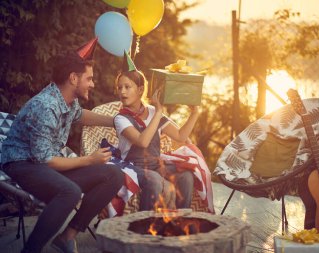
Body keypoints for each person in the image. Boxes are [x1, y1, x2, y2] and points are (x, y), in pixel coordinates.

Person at [0, 38, 124, 253]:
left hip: (44, 163)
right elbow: (45, 161)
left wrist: (115, 121)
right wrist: (88, 160)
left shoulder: (68, 100)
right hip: (21, 164)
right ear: (73, 78)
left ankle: (67, 235)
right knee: (70, 192)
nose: (93, 84)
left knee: (113, 175)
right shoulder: (45, 107)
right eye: (89, 79)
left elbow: (81, 115)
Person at [113, 52, 199, 210]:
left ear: (140, 90)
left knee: (186, 176)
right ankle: (144, 226)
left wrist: (194, 114)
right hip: (132, 167)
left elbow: (181, 136)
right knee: (153, 179)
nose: (122, 92)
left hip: (155, 164)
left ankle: (181, 222)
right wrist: (159, 112)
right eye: (120, 88)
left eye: (127, 87)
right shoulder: (121, 119)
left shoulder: (152, 111)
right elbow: (142, 141)